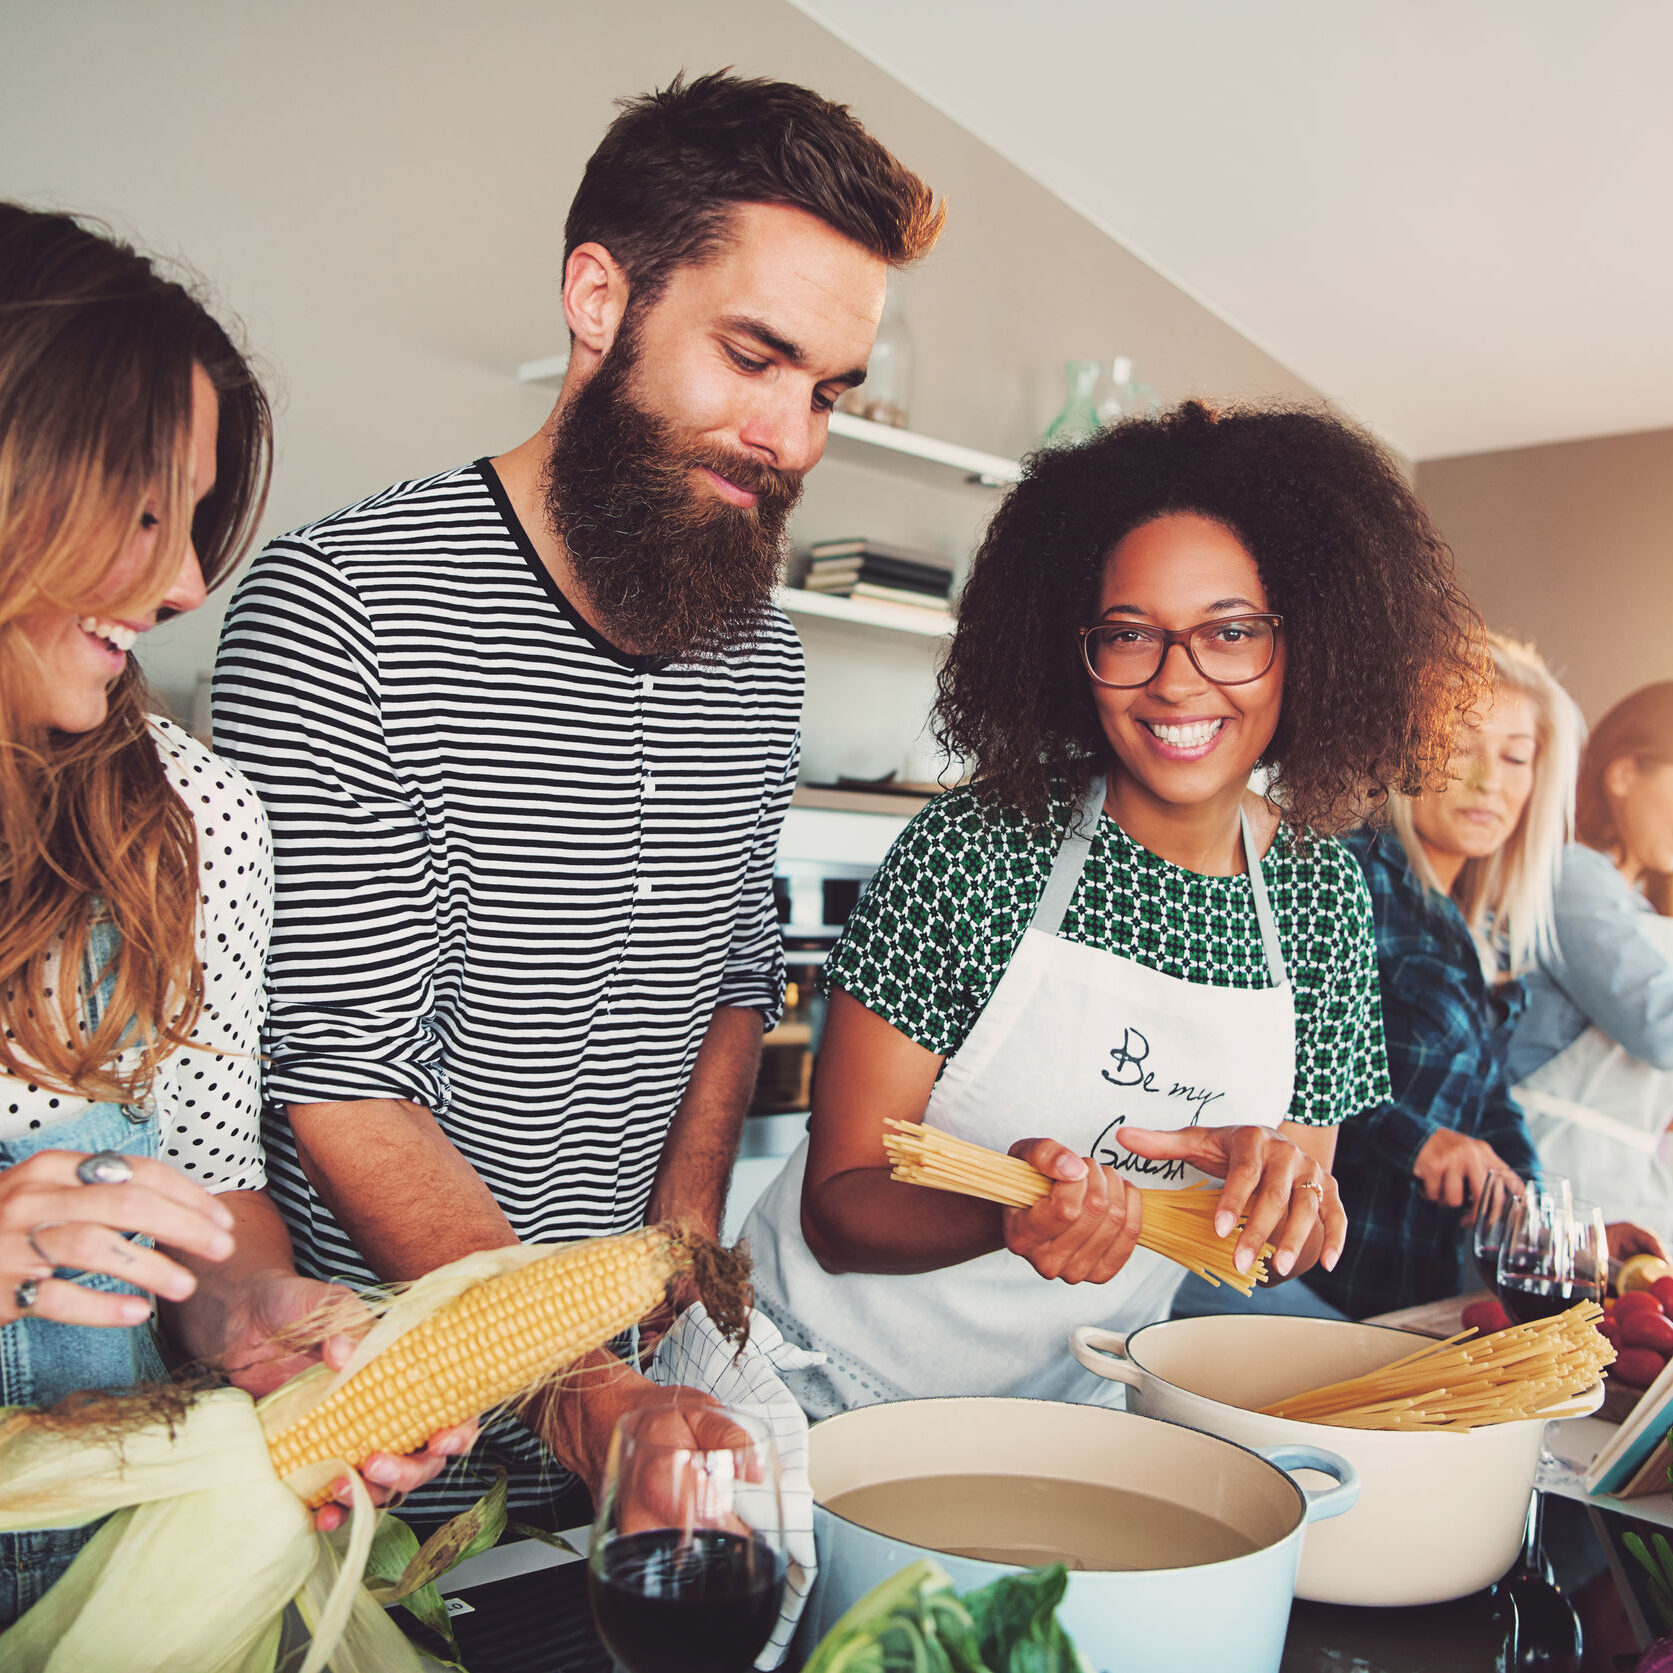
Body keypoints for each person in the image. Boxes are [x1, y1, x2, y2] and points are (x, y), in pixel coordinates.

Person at [211, 71, 944, 1524]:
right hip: (375, 1448)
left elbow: (731, 978)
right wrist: (579, 1392)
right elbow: (344, 1078)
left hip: (633, 1412)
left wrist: (675, 1276)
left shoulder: (758, 657)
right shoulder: (341, 608)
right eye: (753, 358)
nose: (793, 437)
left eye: (827, 392)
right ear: (598, 298)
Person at [742, 400, 1485, 1414]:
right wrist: (1007, 1210)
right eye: (1128, 633)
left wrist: (1283, 1209)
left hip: (1056, 1421)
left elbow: (1271, 1252)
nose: (1176, 683)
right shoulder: (970, 852)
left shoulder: (1318, 898)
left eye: (1229, 631)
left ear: (1306, 645)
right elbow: (838, 1207)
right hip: (803, 1387)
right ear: (1073, 651)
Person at [0, 205, 462, 1625]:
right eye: (148, 508)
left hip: (114, 1604)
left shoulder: (191, 818)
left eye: (197, 518)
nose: (188, 580)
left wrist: (260, 1317)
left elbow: (212, 1208)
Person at [1304, 635, 1583, 1320]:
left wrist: (1543, 1224)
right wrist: (1418, 1140)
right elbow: (1284, 1070)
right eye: (1460, 746)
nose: (1489, 781)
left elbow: (1490, 1105)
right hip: (1302, 1286)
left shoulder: (1482, 934)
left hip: (1403, 1303)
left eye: (1514, 756)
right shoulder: (1341, 878)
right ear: (1400, 755)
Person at [1509, 681, 1673, 1248]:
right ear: (1623, 774)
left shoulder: (1642, 908)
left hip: (1631, 1188)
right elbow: (1661, 1025)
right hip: (1557, 1172)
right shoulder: (1572, 875)